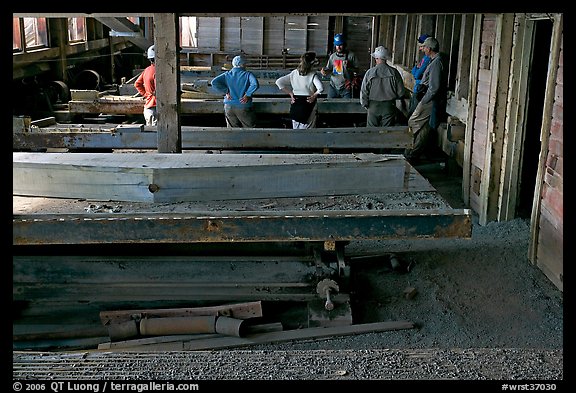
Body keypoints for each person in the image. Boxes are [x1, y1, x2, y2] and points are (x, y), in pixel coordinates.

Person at [405, 36, 448, 161]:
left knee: (412, 122)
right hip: (429, 99)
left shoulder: (436, 63)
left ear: (429, 48)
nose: (423, 50)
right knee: (423, 128)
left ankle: (410, 151)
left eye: (424, 47)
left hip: (428, 100)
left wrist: (423, 101)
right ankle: (413, 153)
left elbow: (434, 88)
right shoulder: (436, 60)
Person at [275, 51, 324, 129]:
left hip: (296, 102)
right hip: (308, 103)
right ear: (312, 63)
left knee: (296, 128)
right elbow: (320, 88)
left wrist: (291, 94)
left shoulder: (294, 73)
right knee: (308, 130)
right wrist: (314, 95)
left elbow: (278, 82)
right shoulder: (312, 74)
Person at [359, 46, 406, 127]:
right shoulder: (394, 72)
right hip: (389, 106)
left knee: (371, 132)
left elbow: (364, 91)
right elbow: (401, 92)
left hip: (373, 106)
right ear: (386, 58)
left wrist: (365, 104)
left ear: (376, 58)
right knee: (386, 132)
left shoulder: (370, 73)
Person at [210, 55, 260, 128]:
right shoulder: (248, 74)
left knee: (232, 131)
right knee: (249, 130)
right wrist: (247, 95)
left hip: (229, 106)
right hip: (243, 106)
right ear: (243, 65)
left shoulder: (227, 74)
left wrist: (226, 91)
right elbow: (255, 84)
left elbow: (214, 82)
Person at [320, 33, 359, 98]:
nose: (338, 47)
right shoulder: (332, 57)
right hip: (333, 87)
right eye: (337, 45)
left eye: (340, 45)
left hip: (346, 87)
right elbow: (328, 69)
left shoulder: (351, 56)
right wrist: (324, 72)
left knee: (347, 107)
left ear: (344, 44)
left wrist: (349, 67)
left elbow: (357, 70)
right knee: (329, 105)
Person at [407, 34, 432, 117]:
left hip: (420, 89)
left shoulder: (428, 59)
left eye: (422, 47)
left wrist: (416, 68)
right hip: (417, 88)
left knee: (414, 114)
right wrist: (416, 68)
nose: (420, 49)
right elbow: (414, 71)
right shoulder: (425, 58)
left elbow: (417, 74)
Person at [134, 45, 157, 126]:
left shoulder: (147, 70)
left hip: (148, 109)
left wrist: (146, 94)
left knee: (151, 136)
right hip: (156, 109)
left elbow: (137, 84)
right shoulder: (158, 71)